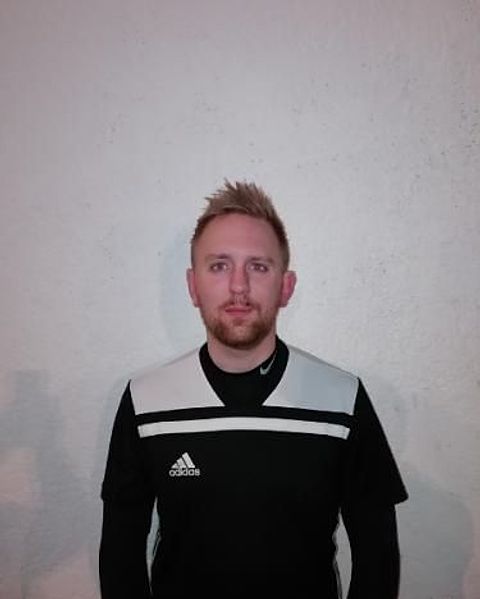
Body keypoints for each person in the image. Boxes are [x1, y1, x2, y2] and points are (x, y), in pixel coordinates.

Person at [99, 180, 408, 598]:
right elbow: (120, 558)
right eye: (219, 266)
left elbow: (378, 560)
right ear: (192, 285)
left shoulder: (342, 398)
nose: (239, 286)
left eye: (258, 266)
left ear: (286, 286)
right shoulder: (145, 401)